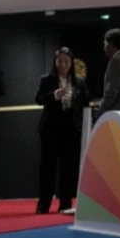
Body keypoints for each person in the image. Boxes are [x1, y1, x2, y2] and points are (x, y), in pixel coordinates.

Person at [35, 47, 88, 214]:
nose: (63, 65)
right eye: (59, 61)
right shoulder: (46, 80)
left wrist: (74, 99)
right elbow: (38, 99)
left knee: (68, 168)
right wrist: (54, 95)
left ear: (71, 63)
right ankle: (43, 204)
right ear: (55, 62)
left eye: (66, 61)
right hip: (51, 129)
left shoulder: (79, 82)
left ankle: (65, 204)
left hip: (71, 130)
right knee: (47, 168)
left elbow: (85, 103)